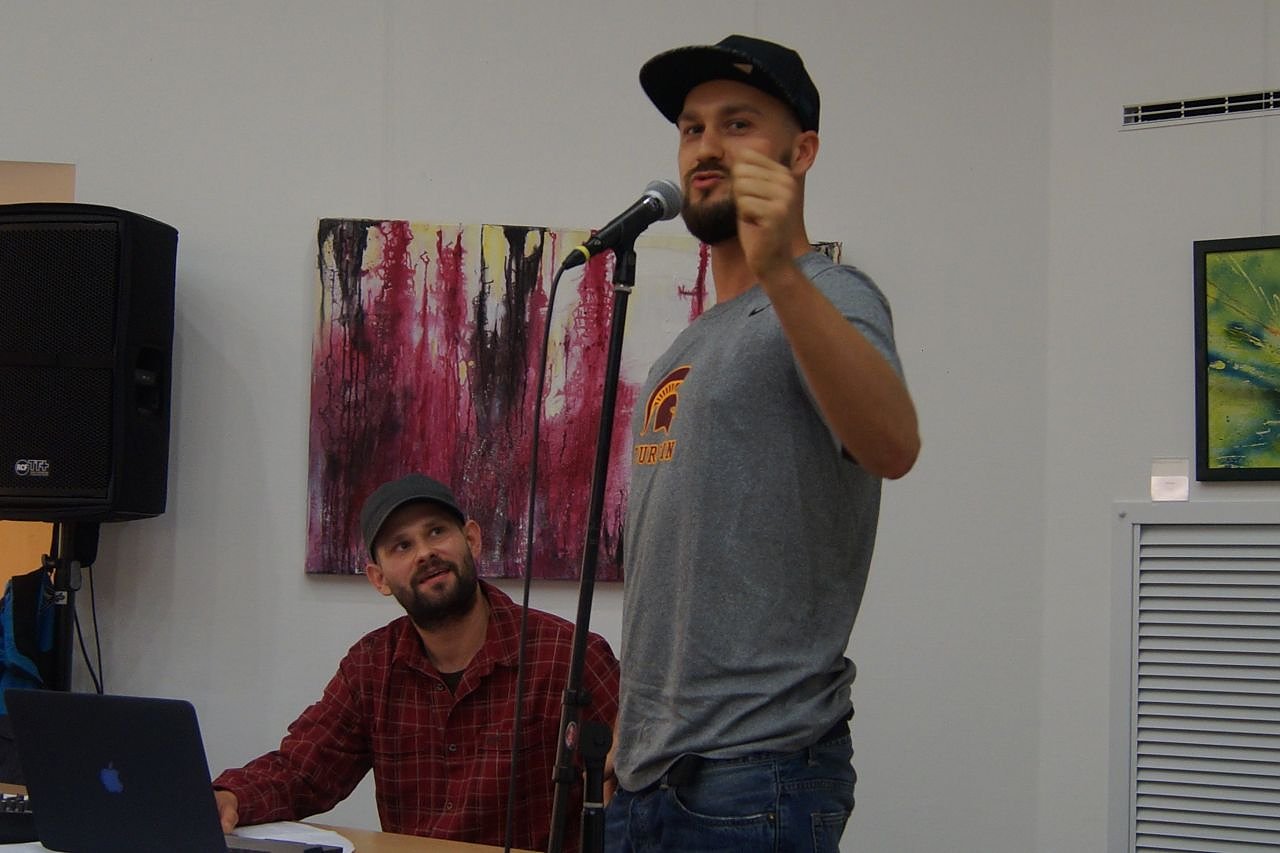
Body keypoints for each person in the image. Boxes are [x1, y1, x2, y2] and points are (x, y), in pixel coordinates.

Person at [606, 35, 921, 852]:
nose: (706, 146)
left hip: (756, 774)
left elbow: (893, 444)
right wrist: (631, 737)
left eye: (738, 123)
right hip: (648, 776)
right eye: (691, 128)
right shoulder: (685, 347)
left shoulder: (833, 294)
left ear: (801, 151)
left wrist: (779, 267)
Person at [213, 473, 620, 853]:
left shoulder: (569, 656)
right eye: (402, 546)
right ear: (379, 579)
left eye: (437, 531)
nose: (425, 553)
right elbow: (304, 770)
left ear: (472, 539)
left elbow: (628, 789)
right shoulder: (371, 666)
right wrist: (230, 798)